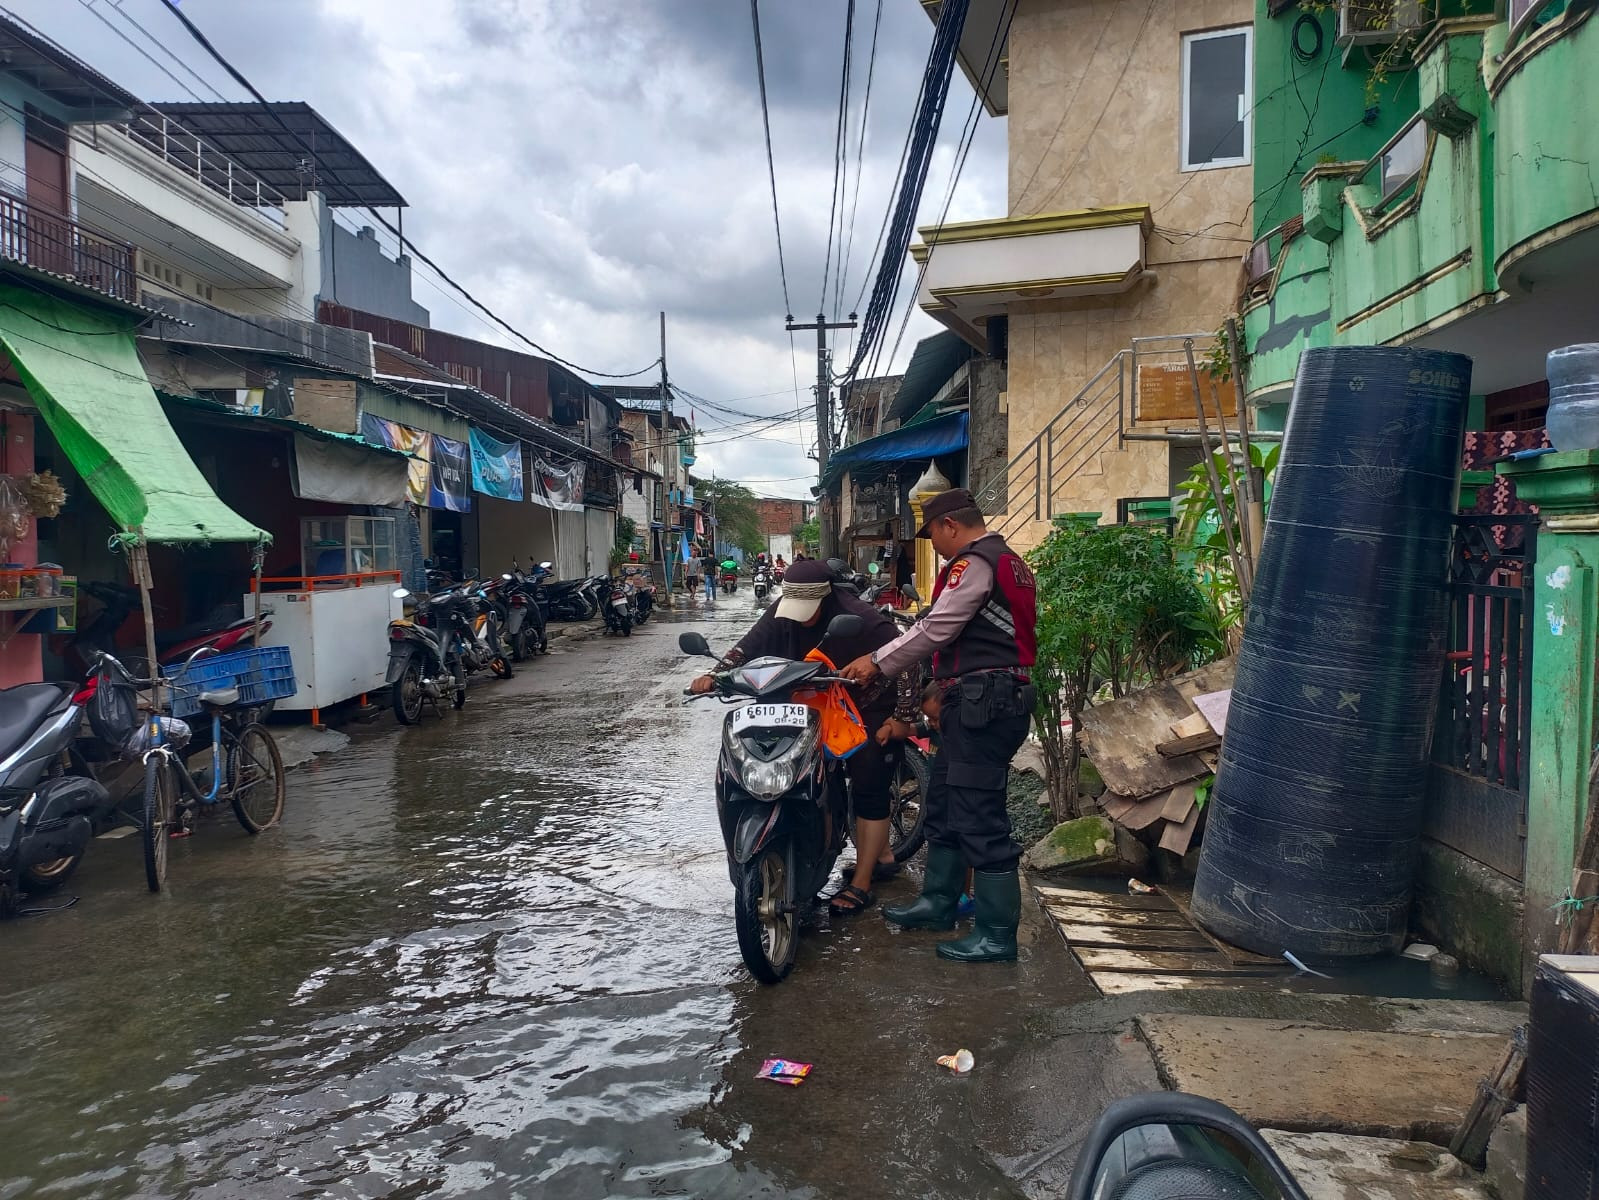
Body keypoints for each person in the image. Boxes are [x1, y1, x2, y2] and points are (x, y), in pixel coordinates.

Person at [841, 487, 1037, 963]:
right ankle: (938, 903)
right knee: (946, 805)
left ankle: (995, 934)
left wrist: (877, 661)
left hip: (984, 703)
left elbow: (937, 629)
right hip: (971, 702)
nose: (935, 546)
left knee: (979, 817)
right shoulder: (1007, 560)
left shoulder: (978, 563)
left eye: (933, 536)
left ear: (951, 525)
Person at [689, 558, 921, 915]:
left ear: (827, 598)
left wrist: (902, 717)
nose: (800, 617)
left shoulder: (860, 616)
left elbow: (907, 656)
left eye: (808, 609)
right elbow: (746, 647)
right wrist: (715, 673)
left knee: (867, 779)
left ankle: (861, 882)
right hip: (811, 702)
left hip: (865, 706)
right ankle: (875, 854)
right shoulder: (781, 611)